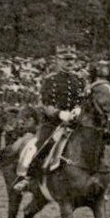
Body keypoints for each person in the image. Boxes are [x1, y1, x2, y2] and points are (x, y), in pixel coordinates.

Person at [14, 45, 86, 192]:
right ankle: (28, 177)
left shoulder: (79, 80)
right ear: (58, 61)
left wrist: (79, 109)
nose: (69, 63)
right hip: (53, 123)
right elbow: (45, 104)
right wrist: (59, 114)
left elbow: (82, 101)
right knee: (42, 145)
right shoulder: (50, 80)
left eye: (71, 60)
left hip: (75, 123)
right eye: (65, 60)